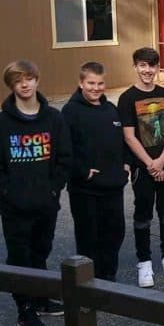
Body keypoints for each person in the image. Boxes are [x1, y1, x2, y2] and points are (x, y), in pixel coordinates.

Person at [0, 60, 72, 326]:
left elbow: (64, 159)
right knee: (20, 257)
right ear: (11, 85)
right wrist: (11, 193)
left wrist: (53, 188)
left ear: (37, 80)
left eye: (29, 78)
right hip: (14, 208)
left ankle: (42, 299)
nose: (24, 84)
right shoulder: (1, 123)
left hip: (46, 203)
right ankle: (25, 308)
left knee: (41, 252)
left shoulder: (53, 119)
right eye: (18, 80)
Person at [118, 47, 164, 288]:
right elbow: (129, 136)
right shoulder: (127, 98)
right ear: (135, 67)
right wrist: (150, 164)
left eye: (152, 66)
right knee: (143, 214)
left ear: (157, 68)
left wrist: (163, 160)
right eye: (142, 65)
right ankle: (144, 263)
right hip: (142, 167)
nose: (147, 70)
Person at [62, 62, 129, 283]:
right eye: (90, 83)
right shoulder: (70, 111)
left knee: (115, 232)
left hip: (113, 185)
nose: (96, 88)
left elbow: (121, 142)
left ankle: (108, 277)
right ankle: (90, 283)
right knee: (89, 237)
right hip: (85, 189)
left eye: (100, 83)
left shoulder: (110, 109)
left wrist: (125, 165)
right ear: (81, 83)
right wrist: (82, 171)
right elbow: (63, 149)